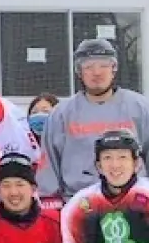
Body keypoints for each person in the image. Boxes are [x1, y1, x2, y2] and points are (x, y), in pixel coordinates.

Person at [38, 38, 149, 201]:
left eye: (104, 66)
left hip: (134, 202)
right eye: (89, 67)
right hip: (79, 202)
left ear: (114, 69)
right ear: (79, 72)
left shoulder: (140, 107)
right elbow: (49, 162)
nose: (97, 72)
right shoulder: (61, 113)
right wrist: (51, 200)